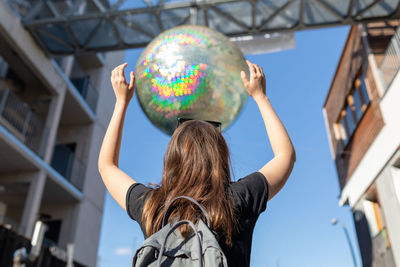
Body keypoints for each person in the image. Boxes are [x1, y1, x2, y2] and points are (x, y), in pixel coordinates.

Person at [98, 60, 296, 267]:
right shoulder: (237, 199)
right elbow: (285, 156)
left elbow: (106, 166)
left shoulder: (152, 206)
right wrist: (260, 96)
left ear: (172, 158)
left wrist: (121, 101)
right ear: (219, 155)